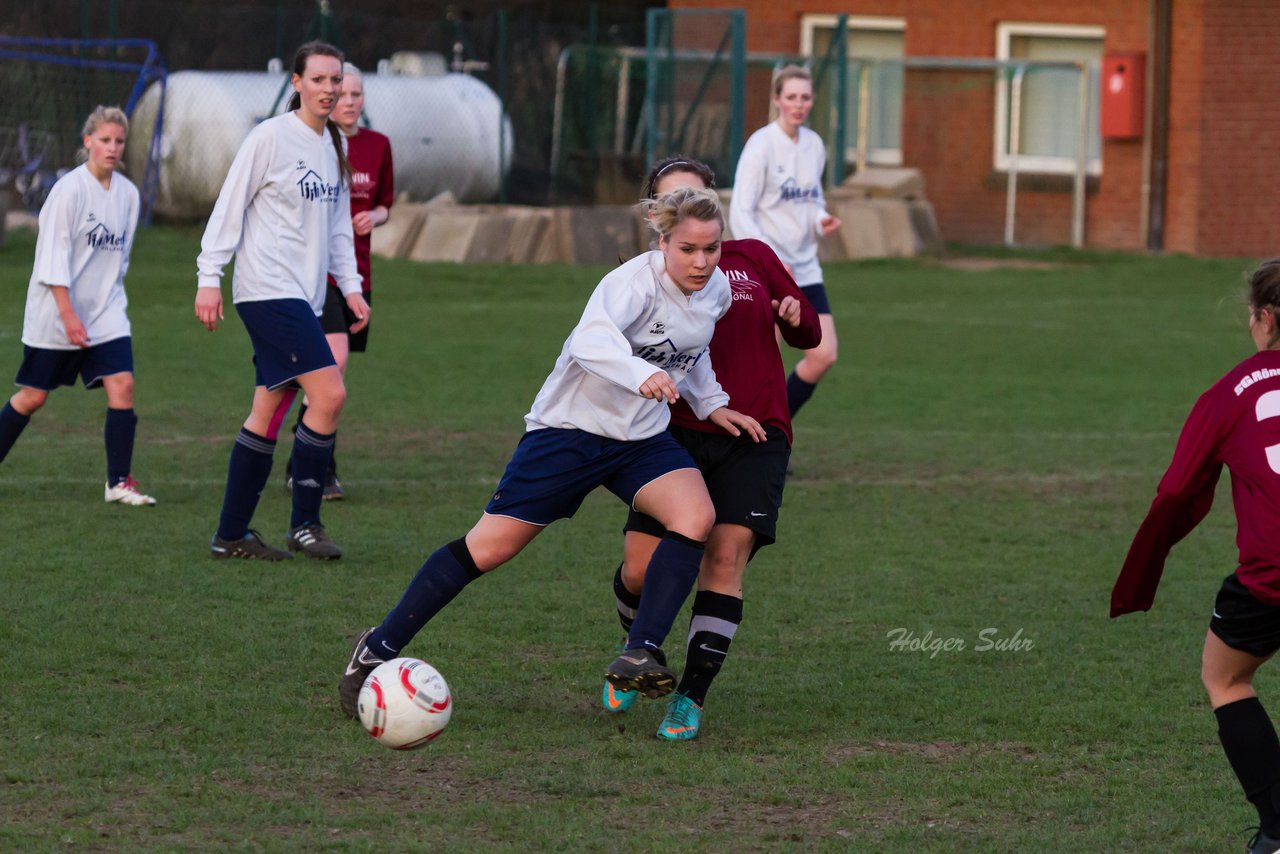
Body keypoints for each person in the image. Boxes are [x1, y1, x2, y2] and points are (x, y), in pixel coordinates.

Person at [339, 187, 765, 719]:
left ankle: (641, 649)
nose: (702, 262)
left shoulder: (716, 291)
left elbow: (691, 352)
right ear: (663, 242)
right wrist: (642, 374)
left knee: (695, 515)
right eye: (688, 250)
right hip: (569, 433)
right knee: (489, 548)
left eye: (712, 248)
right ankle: (377, 646)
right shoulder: (631, 283)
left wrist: (711, 403)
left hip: (640, 440)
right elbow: (590, 341)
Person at [599, 156, 821, 740]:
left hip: (756, 433)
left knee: (723, 561)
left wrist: (793, 315)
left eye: (698, 196)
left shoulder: (752, 257)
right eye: (673, 202)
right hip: (669, 432)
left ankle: (690, 698)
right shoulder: (640, 277)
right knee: (643, 570)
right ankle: (636, 649)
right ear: (657, 220)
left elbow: (809, 336)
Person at [1111, 260, 1280, 854]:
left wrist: (1144, 567)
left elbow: (1178, 491)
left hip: (1270, 579)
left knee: (1225, 677)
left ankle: (1278, 830)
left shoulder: (1231, 391)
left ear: (1262, 319)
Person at [195, 41, 369, 561]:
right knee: (330, 395)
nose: (329, 89)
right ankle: (306, 524)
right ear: (297, 83)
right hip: (268, 290)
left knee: (268, 408)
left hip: (308, 297)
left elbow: (339, 228)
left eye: (335, 80)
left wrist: (353, 286)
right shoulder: (269, 137)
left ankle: (231, 535)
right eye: (318, 80)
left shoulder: (334, 143)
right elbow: (230, 205)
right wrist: (209, 276)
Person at [0, 105, 155, 506]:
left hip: (105, 312)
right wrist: (68, 316)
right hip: (57, 313)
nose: (112, 147)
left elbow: (119, 260)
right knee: (34, 396)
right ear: (87, 142)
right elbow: (52, 260)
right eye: (104, 140)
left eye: (119, 141)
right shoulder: (68, 191)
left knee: (123, 384)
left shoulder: (128, 195)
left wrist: (106, 306)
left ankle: (118, 482)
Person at [284, 62, 394, 501]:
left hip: (356, 274)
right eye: (342, 93)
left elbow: (386, 202)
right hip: (314, 275)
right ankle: (318, 469)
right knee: (334, 366)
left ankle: (303, 461)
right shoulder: (311, 144)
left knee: (324, 377)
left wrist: (376, 216)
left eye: (356, 94)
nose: (348, 101)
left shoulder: (379, 145)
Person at [730, 64, 841, 420]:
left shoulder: (814, 145)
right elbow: (740, 211)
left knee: (824, 355)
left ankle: (775, 430)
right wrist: (770, 260)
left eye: (805, 97)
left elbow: (810, 201)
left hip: (805, 267)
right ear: (777, 99)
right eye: (791, 96)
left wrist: (820, 219)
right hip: (769, 272)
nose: (799, 104)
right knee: (766, 365)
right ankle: (755, 441)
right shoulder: (761, 145)